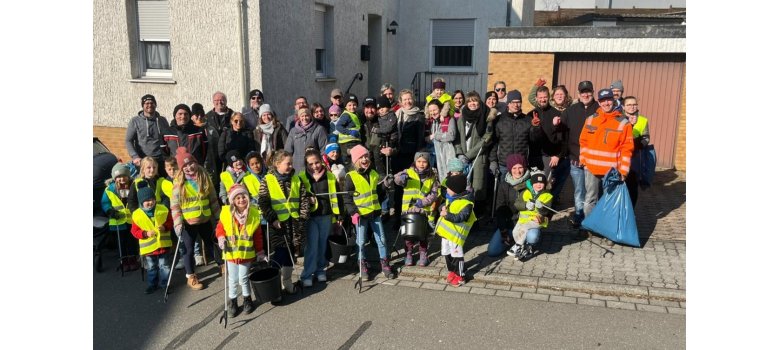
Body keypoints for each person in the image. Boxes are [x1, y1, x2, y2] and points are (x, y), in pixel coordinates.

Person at [579, 88, 634, 245]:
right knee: (590, 200)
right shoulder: (590, 119)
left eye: (609, 99)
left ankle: (608, 233)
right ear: (599, 102)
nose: (606, 103)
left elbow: (626, 149)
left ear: (614, 100)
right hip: (590, 169)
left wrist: (623, 170)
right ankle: (591, 228)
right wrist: (583, 160)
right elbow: (583, 141)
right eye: (603, 101)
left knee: (609, 202)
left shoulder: (623, 123)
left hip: (611, 172)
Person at [257, 150, 310, 294]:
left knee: (291, 253)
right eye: (287, 163)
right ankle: (274, 286)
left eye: (291, 163)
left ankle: (287, 282)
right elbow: (263, 202)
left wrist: (302, 217)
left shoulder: (296, 179)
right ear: (277, 164)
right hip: (277, 225)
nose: (290, 166)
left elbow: (304, 199)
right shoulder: (268, 179)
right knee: (279, 254)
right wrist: (273, 219)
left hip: (294, 223)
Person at [170, 147, 223, 290]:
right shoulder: (179, 183)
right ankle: (191, 275)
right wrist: (178, 223)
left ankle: (222, 265)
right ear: (181, 168)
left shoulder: (204, 176)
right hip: (188, 223)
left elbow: (213, 199)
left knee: (213, 243)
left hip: (205, 219)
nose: (189, 167)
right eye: (185, 166)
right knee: (188, 249)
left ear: (195, 162)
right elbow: (175, 206)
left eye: (191, 163)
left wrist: (219, 218)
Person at [344, 145, 395, 279]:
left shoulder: (373, 174)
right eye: (361, 157)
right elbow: (347, 198)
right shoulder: (351, 176)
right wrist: (353, 212)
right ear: (355, 160)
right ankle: (362, 263)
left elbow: (377, 193)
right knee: (361, 241)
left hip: (375, 213)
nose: (365, 159)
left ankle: (384, 263)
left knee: (381, 239)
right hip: (360, 215)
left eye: (366, 156)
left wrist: (385, 185)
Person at [215, 184, 266, 316]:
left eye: (244, 196)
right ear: (232, 200)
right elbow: (220, 229)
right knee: (232, 278)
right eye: (237, 198)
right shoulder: (226, 213)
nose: (241, 199)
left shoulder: (253, 214)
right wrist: (221, 238)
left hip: (246, 253)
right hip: (231, 253)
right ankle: (233, 302)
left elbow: (258, 235)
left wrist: (260, 252)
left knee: (243, 277)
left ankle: (247, 299)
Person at [297, 150, 344, 287]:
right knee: (312, 245)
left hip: (326, 215)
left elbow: (338, 196)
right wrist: (307, 198)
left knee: (323, 243)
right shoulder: (301, 177)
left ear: (322, 161)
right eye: (310, 164)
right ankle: (307, 274)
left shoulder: (329, 176)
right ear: (306, 164)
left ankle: (320, 269)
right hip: (310, 217)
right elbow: (298, 196)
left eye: (317, 162)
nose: (314, 166)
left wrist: (339, 215)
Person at [560, 81, 599, 231]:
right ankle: (578, 214)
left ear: (593, 92)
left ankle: (591, 220)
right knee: (579, 191)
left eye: (588, 91)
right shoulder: (570, 111)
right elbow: (561, 132)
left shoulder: (599, 110)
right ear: (578, 94)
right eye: (583, 92)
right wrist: (556, 124)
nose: (586, 94)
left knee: (592, 193)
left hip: (592, 161)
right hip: (575, 160)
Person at [394, 151, 440, 266]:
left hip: (424, 211)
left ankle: (423, 254)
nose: (421, 164)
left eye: (424, 162)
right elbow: (397, 179)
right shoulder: (408, 172)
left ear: (428, 163)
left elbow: (434, 194)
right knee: (408, 235)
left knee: (423, 235)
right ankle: (408, 254)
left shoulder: (432, 176)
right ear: (415, 162)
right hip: (408, 211)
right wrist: (401, 178)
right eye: (419, 161)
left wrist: (422, 202)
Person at [455, 91, 496, 211]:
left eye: (475, 100)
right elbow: (456, 137)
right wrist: (460, 153)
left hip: (479, 156)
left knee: (478, 188)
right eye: (470, 101)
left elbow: (486, 138)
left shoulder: (487, 116)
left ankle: (477, 216)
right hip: (463, 157)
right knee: (462, 187)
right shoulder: (462, 117)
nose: (472, 103)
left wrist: (469, 155)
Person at [489, 89, 543, 179]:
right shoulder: (499, 120)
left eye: (518, 102)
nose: (516, 105)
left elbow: (534, 140)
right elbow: (494, 143)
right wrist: (493, 161)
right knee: (503, 191)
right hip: (504, 165)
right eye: (513, 102)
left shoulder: (527, 120)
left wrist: (535, 127)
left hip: (521, 165)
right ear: (508, 103)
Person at [130, 187, 173, 294]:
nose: (150, 202)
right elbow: (134, 231)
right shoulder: (137, 215)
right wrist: (145, 233)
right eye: (146, 201)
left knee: (165, 266)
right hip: (149, 248)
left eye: (152, 199)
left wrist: (165, 227)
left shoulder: (163, 209)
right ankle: (152, 285)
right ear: (141, 202)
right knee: (151, 267)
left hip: (163, 245)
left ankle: (164, 284)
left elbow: (170, 222)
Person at [528, 86, 568, 200]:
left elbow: (563, 138)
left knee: (545, 184)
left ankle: (544, 209)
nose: (542, 99)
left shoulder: (556, 114)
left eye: (545, 97)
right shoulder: (531, 114)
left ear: (549, 97)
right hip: (533, 155)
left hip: (549, 156)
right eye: (540, 97)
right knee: (532, 183)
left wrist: (558, 155)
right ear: (536, 98)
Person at [435, 173, 476, 287]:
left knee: (457, 256)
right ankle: (452, 271)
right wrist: (441, 208)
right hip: (446, 235)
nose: (446, 190)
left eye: (449, 188)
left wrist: (447, 215)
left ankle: (460, 275)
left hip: (456, 236)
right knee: (447, 254)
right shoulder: (451, 198)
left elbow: (462, 217)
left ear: (456, 190)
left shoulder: (466, 203)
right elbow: (442, 206)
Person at [507, 170, 553, 261]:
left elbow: (547, 212)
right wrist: (525, 205)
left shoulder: (548, 195)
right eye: (536, 182)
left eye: (541, 183)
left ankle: (518, 246)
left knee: (525, 229)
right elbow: (517, 204)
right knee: (515, 232)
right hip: (523, 219)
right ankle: (521, 247)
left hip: (536, 220)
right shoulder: (525, 192)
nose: (538, 185)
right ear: (532, 184)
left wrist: (541, 208)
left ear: (545, 184)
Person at [102, 163, 140, 272]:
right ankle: (123, 261)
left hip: (131, 220)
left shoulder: (133, 186)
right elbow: (105, 203)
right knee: (121, 242)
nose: (122, 179)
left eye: (124, 176)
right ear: (114, 178)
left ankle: (133, 259)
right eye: (118, 177)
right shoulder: (109, 190)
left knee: (131, 241)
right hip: (117, 221)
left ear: (128, 176)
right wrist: (109, 210)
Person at [493, 154, 531, 246]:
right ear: (510, 169)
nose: (517, 171)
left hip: (525, 224)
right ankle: (510, 239)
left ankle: (528, 242)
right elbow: (500, 209)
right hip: (509, 224)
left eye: (520, 167)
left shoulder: (531, 184)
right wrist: (503, 231)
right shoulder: (503, 185)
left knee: (532, 237)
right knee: (492, 251)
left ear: (524, 167)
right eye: (514, 168)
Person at [125, 94, 169, 170]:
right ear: (143, 105)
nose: (150, 105)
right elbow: (128, 140)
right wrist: (135, 156)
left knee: (163, 181)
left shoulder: (162, 120)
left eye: (152, 103)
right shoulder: (135, 121)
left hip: (161, 160)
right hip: (143, 161)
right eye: (147, 103)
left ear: (155, 105)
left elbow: (168, 139)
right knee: (145, 182)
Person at [622, 96, 650, 208]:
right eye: (629, 105)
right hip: (620, 157)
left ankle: (630, 211)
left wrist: (637, 145)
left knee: (632, 187)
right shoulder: (618, 118)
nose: (632, 107)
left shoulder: (643, 120)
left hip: (634, 158)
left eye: (634, 104)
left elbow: (646, 138)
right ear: (623, 107)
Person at [285, 107, 329, 172]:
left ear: (310, 116)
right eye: (302, 116)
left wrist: (323, 165)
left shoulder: (319, 129)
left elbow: (324, 149)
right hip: (297, 168)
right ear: (299, 118)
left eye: (307, 116)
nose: (304, 118)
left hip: (314, 167)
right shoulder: (293, 131)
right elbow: (288, 150)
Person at [428, 99, 458, 182]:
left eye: (435, 110)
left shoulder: (449, 119)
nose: (433, 113)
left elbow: (451, 136)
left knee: (446, 178)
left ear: (441, 109)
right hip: (433, 156)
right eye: (430, 111)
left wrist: (435, 136)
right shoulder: (430, 121)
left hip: (446, 154)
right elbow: (428, 138)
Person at [335, 94, 363, 168]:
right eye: (349, 105)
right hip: (347, 143)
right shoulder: (346, 115)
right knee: (351, 163)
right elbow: (338, 126)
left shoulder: (355, 114)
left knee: (356, 162)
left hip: (354, 142)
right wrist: (350, 132)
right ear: (345, 106)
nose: (352, 107)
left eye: (354, 105)